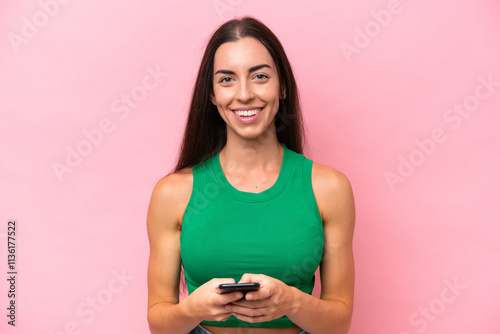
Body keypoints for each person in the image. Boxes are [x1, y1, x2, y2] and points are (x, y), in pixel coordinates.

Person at [146, 16, 355, 334]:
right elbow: (159, 323)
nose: (243, 95)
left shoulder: (329, 188)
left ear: (282, 85)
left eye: (259, 76)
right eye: (227, 80)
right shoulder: (173, 193)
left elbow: (339, 324)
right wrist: (194, 309)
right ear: (213, 94)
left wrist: (290, 302)